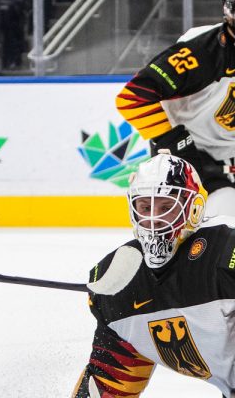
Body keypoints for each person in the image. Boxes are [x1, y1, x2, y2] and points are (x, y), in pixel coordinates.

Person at [69, 151, 235, 396]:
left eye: (167, 207)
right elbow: (109, 384)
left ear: (194, 209)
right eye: (145, 207)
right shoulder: (116, 282)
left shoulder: (227, 246)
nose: (154, 219)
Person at [116, 0, 235, 218]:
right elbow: (132, 97)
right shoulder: (200, 51)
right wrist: (174, 140)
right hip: (189, 157)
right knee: (206, 230)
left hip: (227, 157)